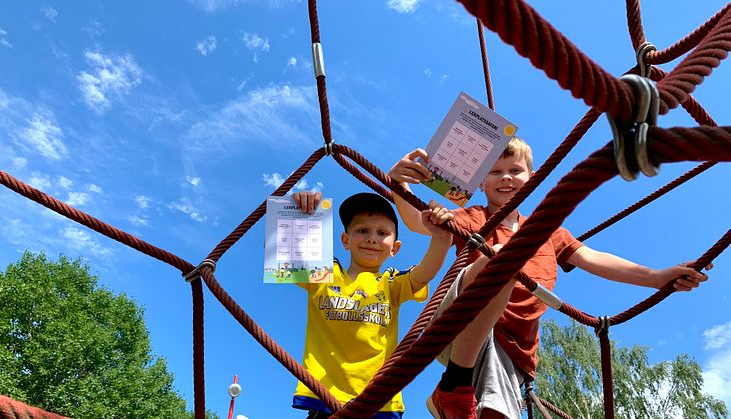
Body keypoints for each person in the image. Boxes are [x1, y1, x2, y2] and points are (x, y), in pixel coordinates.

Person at [388, 137, 710, 419]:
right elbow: (418, 222)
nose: (505, 178)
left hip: (514, 346)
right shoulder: (474, 216)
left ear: (530, 177)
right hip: (459, 321)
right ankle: (454, 383)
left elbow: (594, 259)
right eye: (494, 172)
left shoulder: (547, 232)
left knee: (495, 413)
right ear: (481, 182)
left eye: (515, 170)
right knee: (501, 253)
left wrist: (656, 277)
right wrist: (399, 185)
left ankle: (454, 395)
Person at [290, 190, 455, 418]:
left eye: (382, 233)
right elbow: (292, 258)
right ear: (345, 240)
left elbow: (423, 274)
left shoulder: (390, 283)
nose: (372, 238)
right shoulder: (325, 275)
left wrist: (442, 239)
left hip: (377, 400)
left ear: (394, 248)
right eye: (362, 230)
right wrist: (301, 214)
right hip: (325, 398)